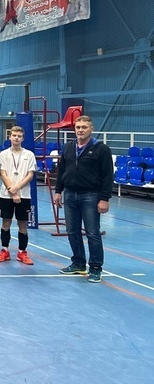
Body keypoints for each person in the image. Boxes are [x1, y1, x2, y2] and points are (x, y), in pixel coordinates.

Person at [54, 115, 112, 283]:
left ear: (91, 129)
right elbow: (62, 170)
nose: (81, 130)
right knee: (72, 231)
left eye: (84, 127)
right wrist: (58, 191)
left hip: (91, 196)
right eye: (78, 127)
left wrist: (104, 198)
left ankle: (95, 268)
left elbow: (108, 176)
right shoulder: (68, 147)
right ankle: (78, 263)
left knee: (92, 233)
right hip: (70, 195)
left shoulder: (101, 149)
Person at [0, 126, 36, 265]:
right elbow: (3, 174)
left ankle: (22, 252)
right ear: (10, 137)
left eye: (19, 136)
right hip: (6, 195)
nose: (16, 138)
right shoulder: (3, 154)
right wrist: (12, 191)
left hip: (24, 195)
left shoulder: (29, 155)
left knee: (22, 223)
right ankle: (4, 250)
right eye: (14, 135)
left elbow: (30, 175)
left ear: (23, 138)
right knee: (5, 222)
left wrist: (16, 189)